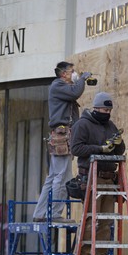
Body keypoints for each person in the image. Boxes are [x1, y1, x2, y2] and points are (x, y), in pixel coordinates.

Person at [71, 92, 126, 255]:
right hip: (90, 178)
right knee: (89, 220)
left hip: (108, 180)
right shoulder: (83, 125)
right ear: (95, 108)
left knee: (105, 221)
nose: (107, 112)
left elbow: (121, 150)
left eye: (109, 109)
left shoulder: (110, 125)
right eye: (104, 109)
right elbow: (76, 148)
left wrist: (118, 143)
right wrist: (100, 149)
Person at [33, 61, 92, 223]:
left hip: (62, 134)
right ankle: (54, 215)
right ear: (64, 74)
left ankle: (40, 213)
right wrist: (82, 79)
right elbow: (75, 93)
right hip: (62, 134)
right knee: (61, 175)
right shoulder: (58, 86)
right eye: (72, 71)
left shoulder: (59, 87)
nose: (74, 74)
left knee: (54, 176)